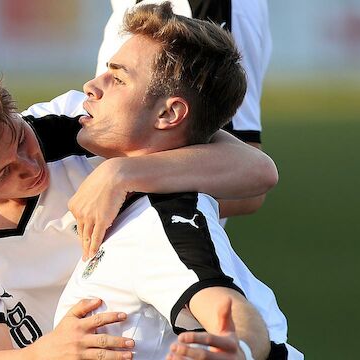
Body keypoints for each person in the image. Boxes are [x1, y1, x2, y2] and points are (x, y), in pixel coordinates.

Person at [0, 65, 276, 360]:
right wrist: (50, 351)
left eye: (19, 139)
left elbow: (255, 171)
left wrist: (121, 172)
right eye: (1, 173)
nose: (29, 166)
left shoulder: (71, 120)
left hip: (188, 328)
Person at [54, 3, 302, 359]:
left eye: (118, 77)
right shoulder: (133, 210)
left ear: (169, 113)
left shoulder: (159, 223)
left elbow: (231, 314)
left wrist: (241, 349)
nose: (90, 86)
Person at [95, 0, 272, 221]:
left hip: (145, 242)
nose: (89, 89)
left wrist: (118, 185)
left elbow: (247, 182)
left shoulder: (212, 6)